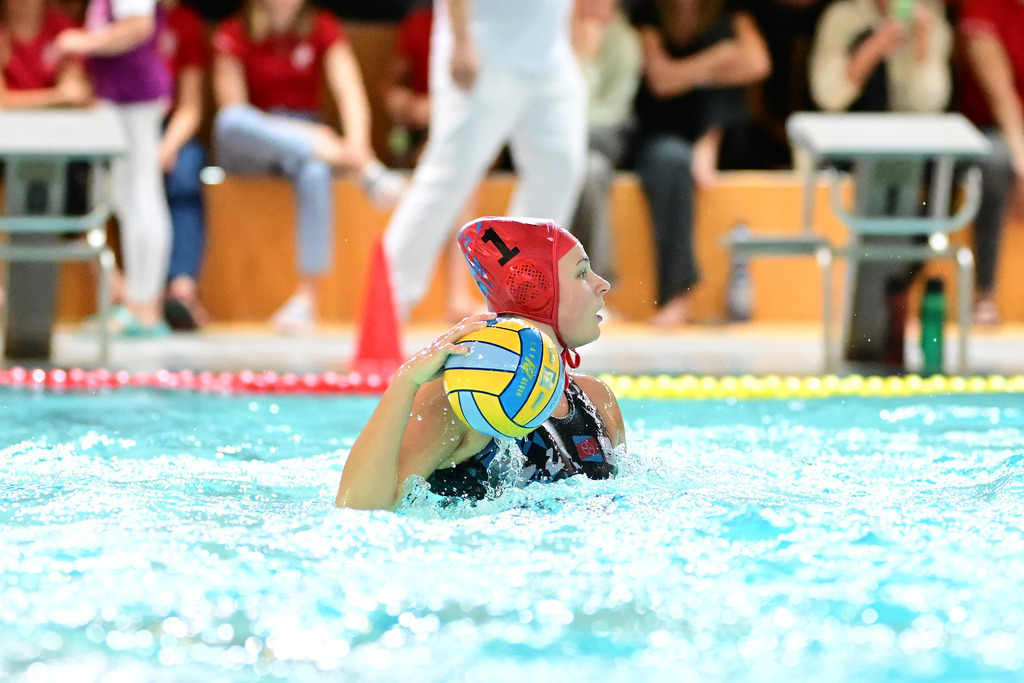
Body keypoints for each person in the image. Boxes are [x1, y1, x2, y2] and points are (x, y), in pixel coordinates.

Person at [336, 216, 626, 511]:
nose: (602, 284)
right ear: (536, 290)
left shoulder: (597, 399)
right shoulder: (463, 400)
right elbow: (360, 508)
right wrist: (405, 382)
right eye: (581, 273)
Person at [382, 0, 589, 321]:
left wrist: (573, 40)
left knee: (560, 166)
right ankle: (388, 301)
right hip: (483, 49)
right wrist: (462, 40)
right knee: (448, 175)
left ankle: (522, 300)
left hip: (551, 56)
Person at [211, 0, 405, 334]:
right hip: (256, 142)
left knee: (315, 171)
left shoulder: (323, 27)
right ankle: (365, 171)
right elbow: (233, 109)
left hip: (309, 151)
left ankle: (307, 299)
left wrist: (357, 145)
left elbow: (349, 91)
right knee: (229, 121)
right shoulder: (233, 31)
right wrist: (316, 137)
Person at [808, 0, 952, 363]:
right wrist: (871, 49)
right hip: (851, 154)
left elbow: (930, 103)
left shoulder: (928, 20)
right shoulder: (844, 18)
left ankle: (895, 302)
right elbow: (829, 96)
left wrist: (921, 46)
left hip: (913, 160)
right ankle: (872, 320)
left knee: (932, 189)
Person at [630, 0, 771, 327]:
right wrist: (718, 62)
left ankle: (709, 141)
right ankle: (678, 295)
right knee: (673, 160)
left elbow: (758, 62)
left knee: (723, 45)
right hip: (662, 134)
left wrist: (696, 71)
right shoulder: (648, 13)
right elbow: (661, 80)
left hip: (722, 135)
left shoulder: (726, 13)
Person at [55, 0, 174, 337]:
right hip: (119, 97)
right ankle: (138, 303)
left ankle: (144, 305)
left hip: (134, 97)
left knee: (141, 196)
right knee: (126, 197)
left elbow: (139, 26)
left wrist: (84, 42)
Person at [957, 0, 1024, 327]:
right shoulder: (985, 6)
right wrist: (1022, 158)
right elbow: (1001, 93)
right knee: (997, 162)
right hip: (991, 127)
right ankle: (985, 293)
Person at [569, 0, 642, 289]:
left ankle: (594, 284)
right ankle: (587, 283)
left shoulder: (624, 40)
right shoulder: (555, 34)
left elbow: (612, 113)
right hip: (574, 150)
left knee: (584, 162)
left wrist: (584, 60)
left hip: (604, 137)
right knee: (590, 171)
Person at [158, 0, 210, 331]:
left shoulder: (184, 23)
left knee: (186, 170)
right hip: (119, 128)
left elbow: (191, 105)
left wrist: (166, 146)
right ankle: (120, 292)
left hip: (168, 130)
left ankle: (181, 288)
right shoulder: (114, 13)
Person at [0, 0, 91, 109]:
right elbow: (2, 102)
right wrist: (57, 97)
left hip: (56, 121)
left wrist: (69, 87)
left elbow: (77, 91)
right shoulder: (3, 35)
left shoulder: (61, 28)